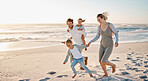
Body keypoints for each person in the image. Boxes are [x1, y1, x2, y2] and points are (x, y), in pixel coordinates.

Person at [87, 13, 119, 77]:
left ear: (103, 18)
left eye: (99, 20)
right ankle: (106, 74)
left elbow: (116, 33)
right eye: (97, 20)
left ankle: (113, 65)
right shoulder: (99, 27)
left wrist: (117, 41)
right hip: (102, 44)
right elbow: (97, 36)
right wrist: (90, 42)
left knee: (104, 60)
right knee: (100, 61)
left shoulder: (110, 25)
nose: (99, 21)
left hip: (109, 45)